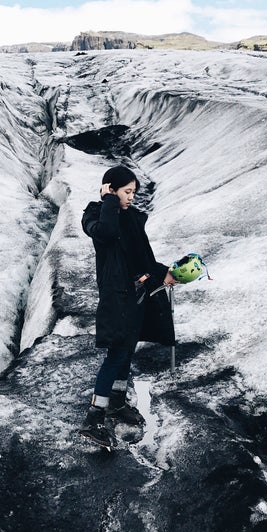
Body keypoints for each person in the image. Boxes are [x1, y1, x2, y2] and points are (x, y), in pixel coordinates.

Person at [79, 165, 176, 448]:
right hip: (116, 297)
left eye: (133, 192)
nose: (131, 197)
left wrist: (167, 272)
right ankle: (93, 418)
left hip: (136, 296)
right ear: (111, 189)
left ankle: (117, 404)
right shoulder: (95, 215)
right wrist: (108, 200)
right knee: (116, 353)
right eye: (126, 191)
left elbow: (143, 258)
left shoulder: (131, 219)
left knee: (127, 351)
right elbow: (106, 233)